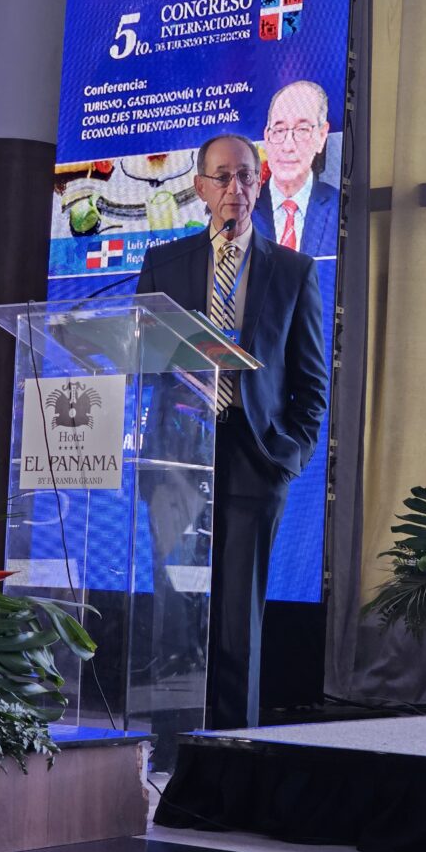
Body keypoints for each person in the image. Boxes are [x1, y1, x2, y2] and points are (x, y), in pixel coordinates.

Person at [137, 133, 328, 729]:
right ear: (200, 187)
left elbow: (311, 384)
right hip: (176, 459)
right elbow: (141, 358)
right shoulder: (164, 263)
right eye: (221, 177)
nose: (234, 188)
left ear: (259, 183)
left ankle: (231, 754)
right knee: (175, 616)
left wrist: (287, 457)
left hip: (253, 456)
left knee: (238, 624)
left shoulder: (293, 270)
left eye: (245, 176)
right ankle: (171, 749)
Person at [252, 80, 340, 257]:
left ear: (322, 136)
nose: (288, 146)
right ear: (267, 137)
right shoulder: (238, 213)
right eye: (279, 130)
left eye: (302, 129)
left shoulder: (341, 207)